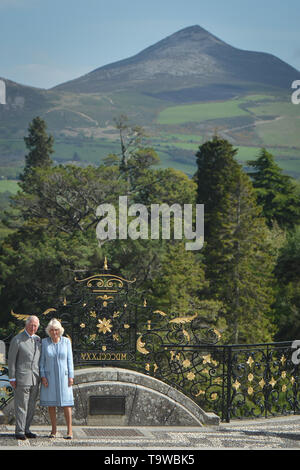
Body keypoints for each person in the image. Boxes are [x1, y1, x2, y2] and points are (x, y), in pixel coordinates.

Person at [39, 318, 74, 439]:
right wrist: (43, 376)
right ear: (49, 331)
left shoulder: (66, 342)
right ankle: (54, 430)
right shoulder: (44, 342)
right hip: (49, 377)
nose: (54, 332)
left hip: (64, 377)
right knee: (51, 404)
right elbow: (42, 361)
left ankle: (69, 430)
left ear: (60, 330)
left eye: (56, 330)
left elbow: (70, 360)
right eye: (52, 330)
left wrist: (71, 376)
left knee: (67, 404)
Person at [8, 315, 41, 440]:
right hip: (22, 378)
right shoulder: (17, 339)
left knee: (31, 406)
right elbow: (11, 360)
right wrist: (12, 377)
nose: (33, 328)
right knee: (21, 405)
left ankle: (27, 429)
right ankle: (19, 430)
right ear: (26, 325)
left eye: (35, 326)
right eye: (31, 325)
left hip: (35, 378)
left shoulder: (38, 340)